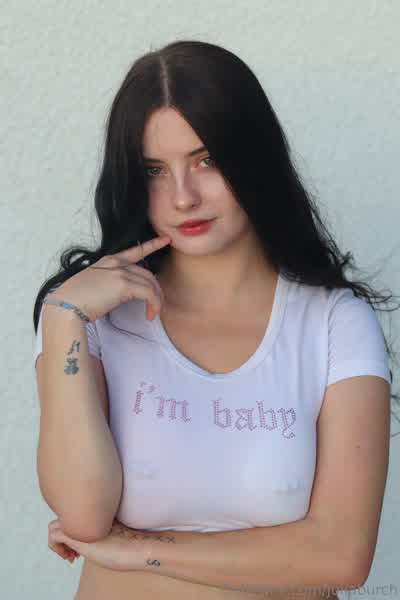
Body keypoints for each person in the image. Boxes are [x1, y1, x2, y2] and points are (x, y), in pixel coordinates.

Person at [33, 40, 398, 600]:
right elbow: (83, 516)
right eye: (154, 170)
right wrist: (62, 316)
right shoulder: (87, 322)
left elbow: (341, 556)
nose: (183, 197)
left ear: (254, 158)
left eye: (206, 160)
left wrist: (140, 550)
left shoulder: (335, 324)